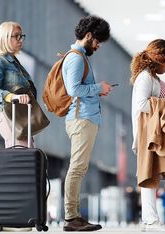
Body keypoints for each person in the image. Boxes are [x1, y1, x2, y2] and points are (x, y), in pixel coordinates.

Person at [62, 15, 111, 232]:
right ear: (89, 35)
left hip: (85, 118)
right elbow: (73, 90)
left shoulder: (81, 57)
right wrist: (98, 88)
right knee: (77, 168)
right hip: (81, 119)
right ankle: (71, 217)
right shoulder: (76, 58)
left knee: (79, 168)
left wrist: (98, 90)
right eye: (98, 41)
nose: (99, 46)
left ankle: (75, 216)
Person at [130, 39, 165, 232]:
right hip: (147, 133)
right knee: (149, 175)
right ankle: (151, 221)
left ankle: (148, 220)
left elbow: (154, 102)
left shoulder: (153, 78)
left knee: (152, 175)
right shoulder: (145, 78)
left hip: (153, 132)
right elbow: (142, 105)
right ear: (159, 59)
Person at [0, 21, 36, 148]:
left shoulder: (16, 64)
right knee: (21, 157)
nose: (20, 40)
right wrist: (14, 97)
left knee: (27, 158)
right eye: (16, 36)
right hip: (9, 116)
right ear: (5, 38)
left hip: (21, 117)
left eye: (22, 36)